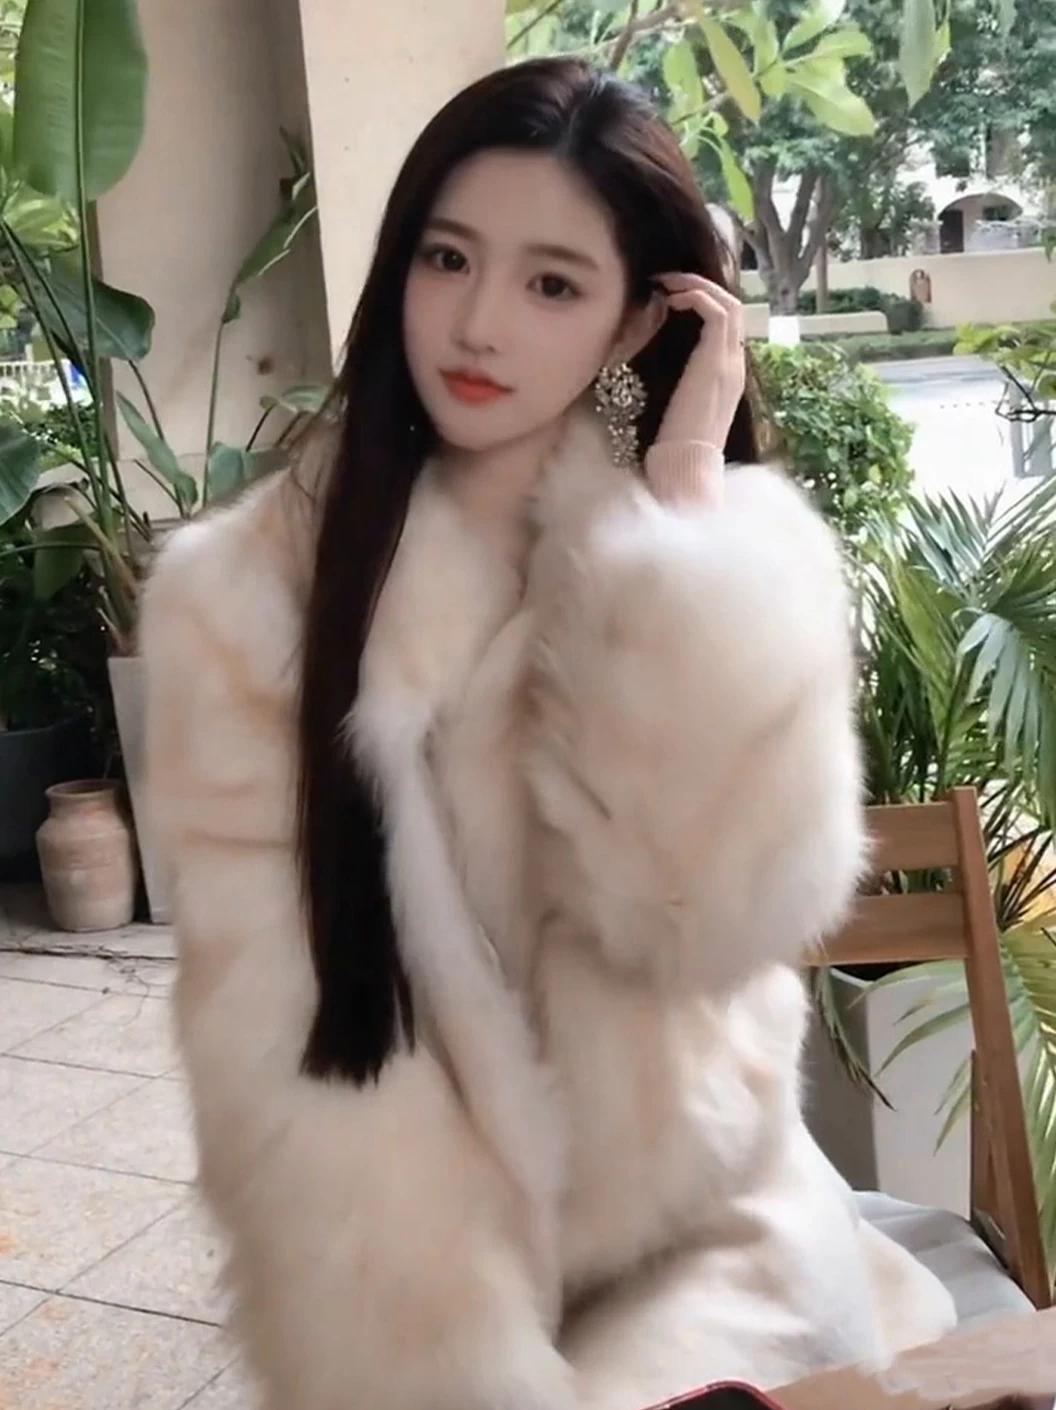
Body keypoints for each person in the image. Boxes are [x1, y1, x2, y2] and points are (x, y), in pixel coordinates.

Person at [141, 56, 955, 1410]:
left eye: (553, 285)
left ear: (637, 319)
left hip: (711, 1224)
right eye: (447, 258)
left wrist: (679, 510)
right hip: (423, 1283)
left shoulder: (683, 564)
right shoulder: (242, 606)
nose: (476, 325)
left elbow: (709, 924)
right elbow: (283, 1066)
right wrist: (466, 1366)